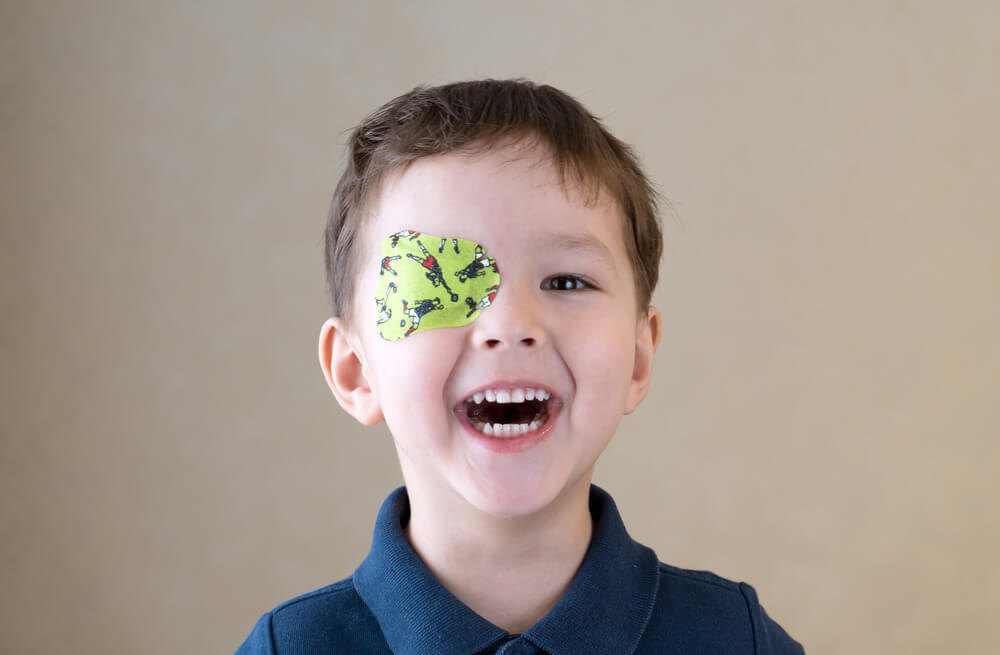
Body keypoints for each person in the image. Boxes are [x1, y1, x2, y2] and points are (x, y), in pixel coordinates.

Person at [235, 79, 805, 654]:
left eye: (565, 281)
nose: (510, 324)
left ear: (637, 357)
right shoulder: (290, 649)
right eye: (444, 283)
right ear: (356, 372)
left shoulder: (736, 640)